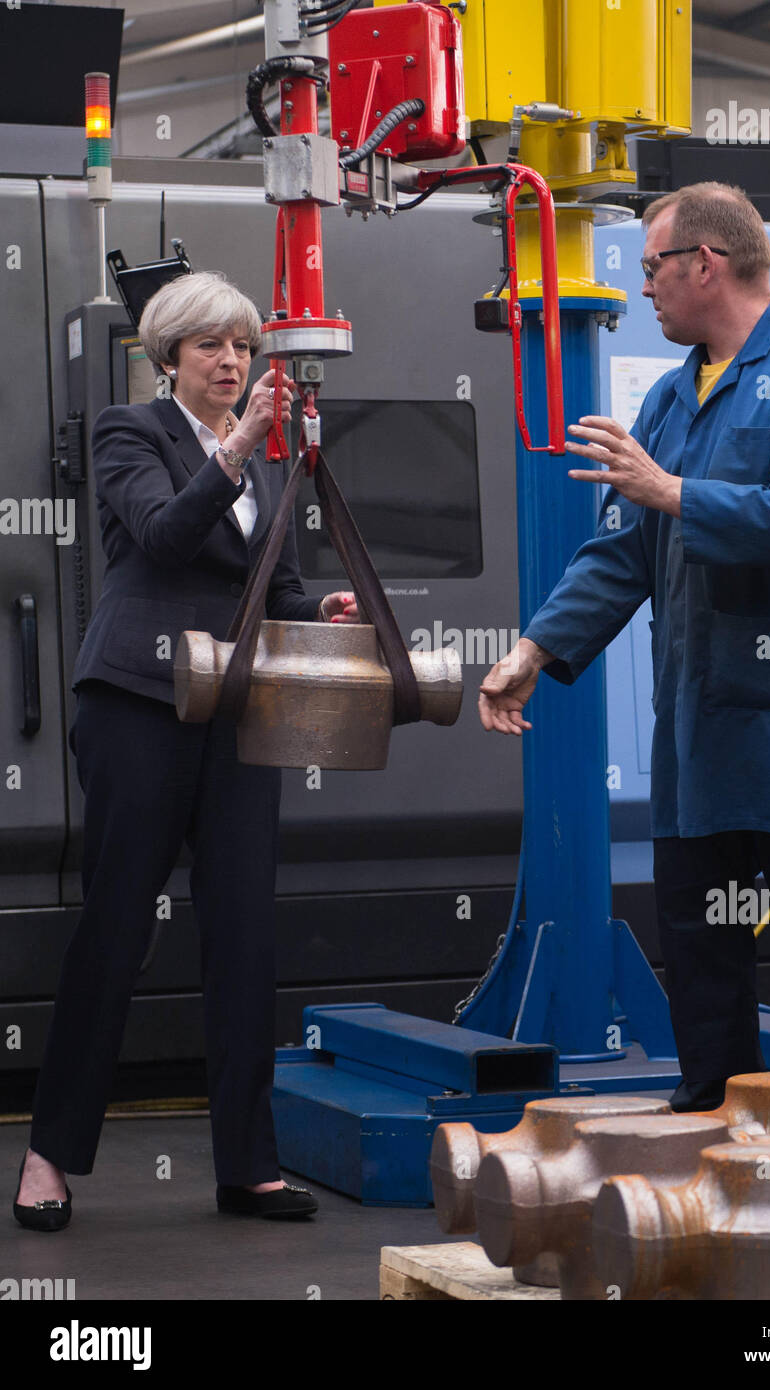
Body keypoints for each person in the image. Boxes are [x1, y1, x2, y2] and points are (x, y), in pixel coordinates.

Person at [479, 182, 770, 1110]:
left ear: (705, 262)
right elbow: (624, 547)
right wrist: (535, 650)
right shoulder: (674, 395)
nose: (646, 288)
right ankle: (708, 1122)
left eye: (653, 267)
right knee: (702, 936)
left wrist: (674, 493)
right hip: (702, 727)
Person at [14, 271, 357, 1229]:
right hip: (138, 700)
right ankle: (49, 1156)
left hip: (238, 708)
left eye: (243, 348)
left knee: (245, 932)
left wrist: (316, 607)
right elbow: (163, 536)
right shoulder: (132, 432)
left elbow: (274, 587)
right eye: (211, 347)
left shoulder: (269, 464)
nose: (232, 362)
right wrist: (239, 448)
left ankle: (248, 1166)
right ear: (169, 357)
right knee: (117, 925)